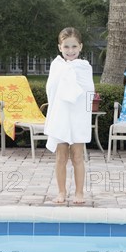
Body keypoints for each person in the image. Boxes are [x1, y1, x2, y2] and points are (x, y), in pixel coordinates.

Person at [45, 27, 94, 204]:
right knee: (61, 157)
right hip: (61, 116)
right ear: (60, 47)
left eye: (74, 46)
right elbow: (51, 90)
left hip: (78, 116)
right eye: (66, 47)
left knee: (78, 156)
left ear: (80, 47)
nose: (70, 51)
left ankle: (79, 193)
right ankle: (61, 192)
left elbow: (89, 91)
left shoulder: (84, 67)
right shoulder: (56, 66)